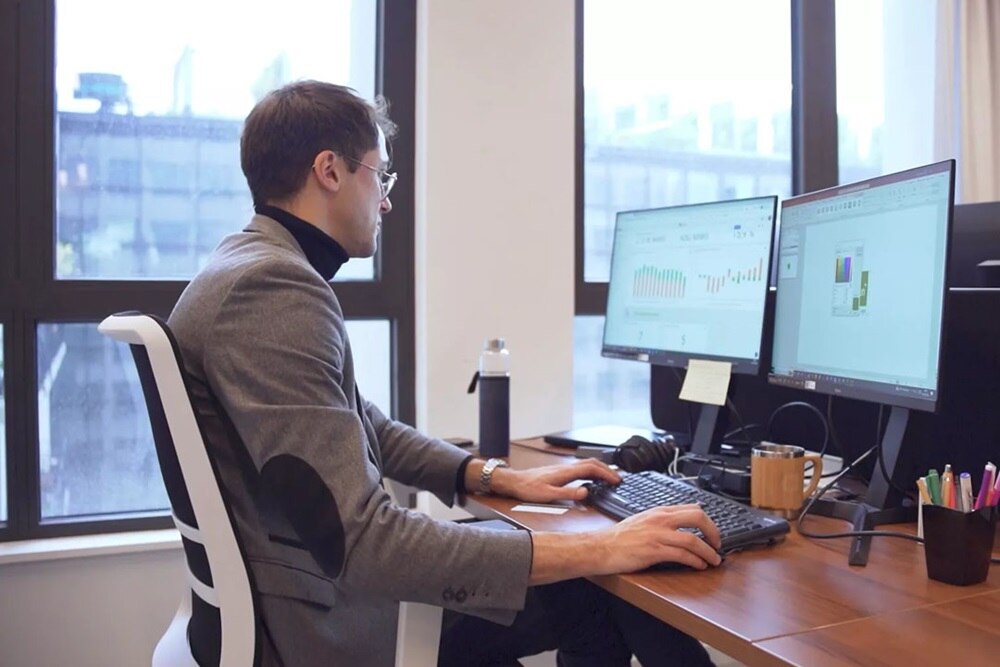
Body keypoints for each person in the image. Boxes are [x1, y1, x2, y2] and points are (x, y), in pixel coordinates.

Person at [168, 80, 722, 667]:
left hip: (305, 595)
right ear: (329, 171)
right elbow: (370, 544)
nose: (384, 201)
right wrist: (602, 544)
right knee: (602, 579)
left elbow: (363, 426)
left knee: (589, 571)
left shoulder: (248, 268)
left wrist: (494, 478)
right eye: (379, 177)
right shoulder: (273, 291)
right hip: (332, 623)